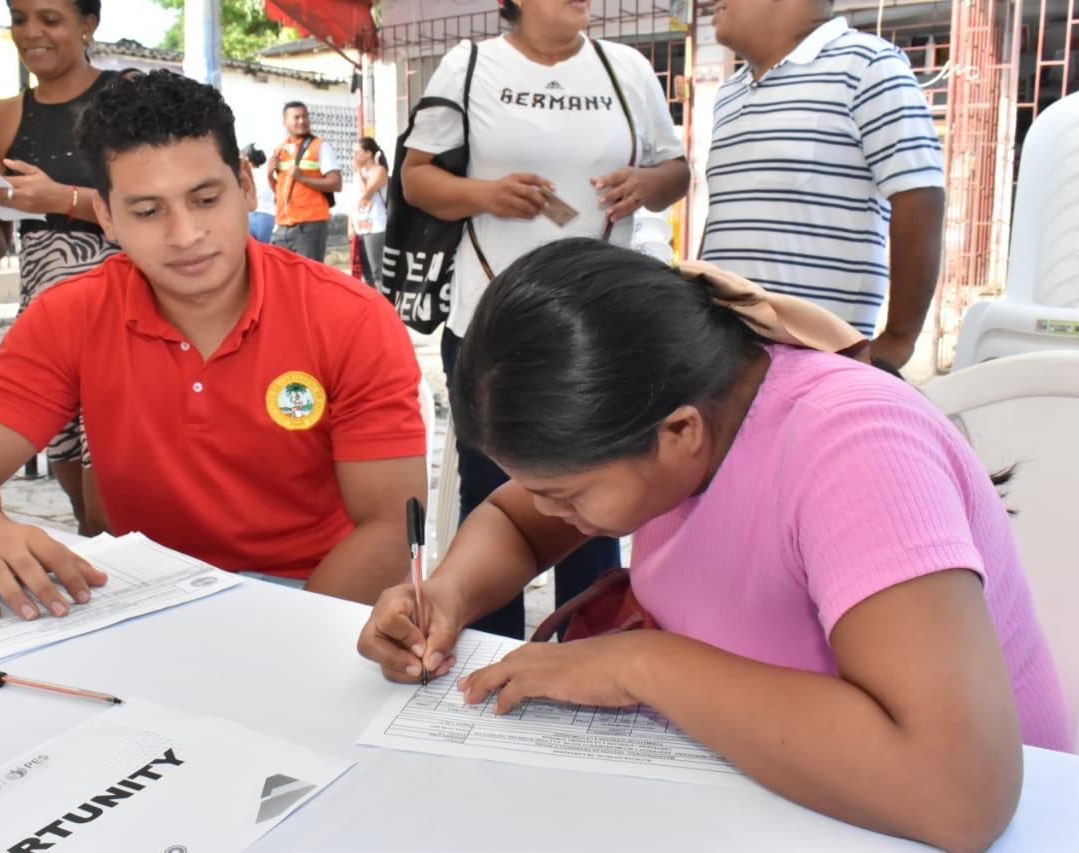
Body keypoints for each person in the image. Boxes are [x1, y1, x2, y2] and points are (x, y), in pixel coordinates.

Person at [357, 237, 1071, 850]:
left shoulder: (853, 448)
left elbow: (962, 793)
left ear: (679, 431)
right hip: (773, 789)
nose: (549, 511)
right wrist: (447, 593)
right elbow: (516, 521)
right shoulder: (678, 411)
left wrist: (639, 663)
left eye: (568, 493)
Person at [0, 70, 428, 622]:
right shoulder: (71, 313)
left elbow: (391, 526)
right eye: (148, 211)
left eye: (205, 199)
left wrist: (286, 638)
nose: (184, 235)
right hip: (138, 598)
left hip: (311, 594)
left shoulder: (349, 317)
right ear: (105, 216)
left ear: (247, 186)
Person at [402, 0, 691, 639]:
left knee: (599, 505)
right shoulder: (470, 65)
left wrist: (645, 184)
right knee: (490, 493)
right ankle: (486, 655)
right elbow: (416, 179)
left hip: (599, 330)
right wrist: (484, 195)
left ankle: (591, 653)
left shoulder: (626, 69)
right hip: (490, 321)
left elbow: (676, 172)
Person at [0, 0, 124, 536]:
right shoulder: (0, 118)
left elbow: (152, 210)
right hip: (47, 324)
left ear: (88, 26)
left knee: (113, 508)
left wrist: (60, 197)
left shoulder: (124, 98)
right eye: (19, 18)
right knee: (83, 512)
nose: (31, 32)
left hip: (122, 315)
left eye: (50, 18)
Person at [700, 0, 946, 371]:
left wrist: (898, 340)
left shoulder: (867, 65)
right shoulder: (729, 93)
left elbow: (919, 197)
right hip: (726, 350)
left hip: (819, 357)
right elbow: (726, 216)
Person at [266, 101, 342, 262]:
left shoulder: (320, 146)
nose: (302, 121)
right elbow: (282, 191)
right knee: (281, 279)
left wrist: (303, 178)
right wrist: (269, 175)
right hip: (282, 226)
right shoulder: (281, 149)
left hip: (309, 226)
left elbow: (336, 183)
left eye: (305, 116)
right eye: (297, 117)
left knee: (308, 281)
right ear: (285, 122)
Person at [350, 136, 388, 288]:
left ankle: (383, 304)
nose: (355, 156)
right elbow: (354, 203)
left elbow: (367, 194)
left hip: (376, 226)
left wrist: (359, 172)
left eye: (357, 152)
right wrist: (350, 225)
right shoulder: (356, 176)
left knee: (376, 270)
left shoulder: (379, 171)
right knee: (365, 271)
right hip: (359, 227)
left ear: (368, 153)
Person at [243, 143, 276, 244]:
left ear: (247, 158)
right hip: (268, 217)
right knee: (265, 252)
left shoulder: (245, 175)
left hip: (248, 216)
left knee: (249, 253)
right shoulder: (269, 174)